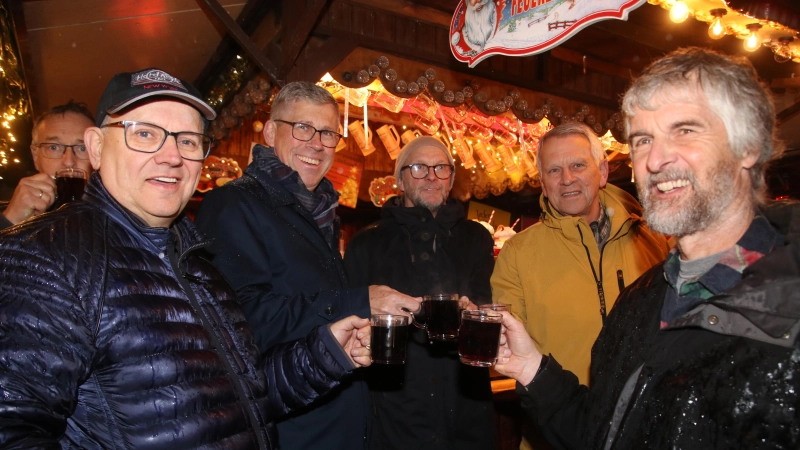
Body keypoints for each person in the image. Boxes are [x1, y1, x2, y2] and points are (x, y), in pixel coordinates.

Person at [0, 68, 372, 448]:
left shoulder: (197, 265)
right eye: (144, 134)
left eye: (188, 140)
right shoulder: (43, 256)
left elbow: (241, 400)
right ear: (96, 147)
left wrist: (326, 353)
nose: (171, 156)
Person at [493, 47, 800, 449]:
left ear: (748, 147)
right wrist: (531, 367)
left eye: (685, 130)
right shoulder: (640, 302)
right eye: (642, 140)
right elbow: (600, 433)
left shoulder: (786, 311)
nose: (655, 159)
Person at [195, 81, 420, 450]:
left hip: (340, 425)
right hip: (289, 433)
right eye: (302, 127)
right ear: (270, 132)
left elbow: (312, 312)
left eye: (328, 133)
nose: (317, 143)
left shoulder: (321, 213)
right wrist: (359, 302)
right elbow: (246, 322)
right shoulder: (232, 205)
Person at [344, 136, 496, 450]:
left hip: (466, 408)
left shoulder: (476, 238)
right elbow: (350, 323)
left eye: (441, 168)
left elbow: (485, 303)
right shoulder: (367, 244)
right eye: (418, 168)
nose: (431, 175)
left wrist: (475, 312)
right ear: (399, 180)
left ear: (451, 179)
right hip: (394, 411)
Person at [491, 122, 669, 386]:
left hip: (644, 411)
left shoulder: (652, 240)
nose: (567, 179)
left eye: (578, 165)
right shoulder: (517, 254)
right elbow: (510, 346)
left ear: (603, 171)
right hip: (559, 415)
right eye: (554, 170)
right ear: (542, 182)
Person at [0, 100, 94, 229]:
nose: (69, 162)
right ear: (35, 156)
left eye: (82, 148)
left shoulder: (117, 217)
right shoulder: (8, 213)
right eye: (54, 147)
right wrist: (10, 221)